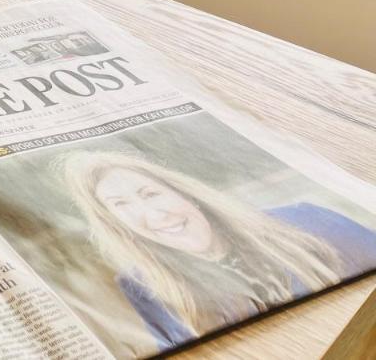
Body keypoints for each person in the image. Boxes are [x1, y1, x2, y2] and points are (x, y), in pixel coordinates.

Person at [62, 150, 376, 351]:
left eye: (151, 194)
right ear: (119, 226)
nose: (155, 215)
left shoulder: (306, 219)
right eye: (121, 206)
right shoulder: (144, 286)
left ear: (186, 194)